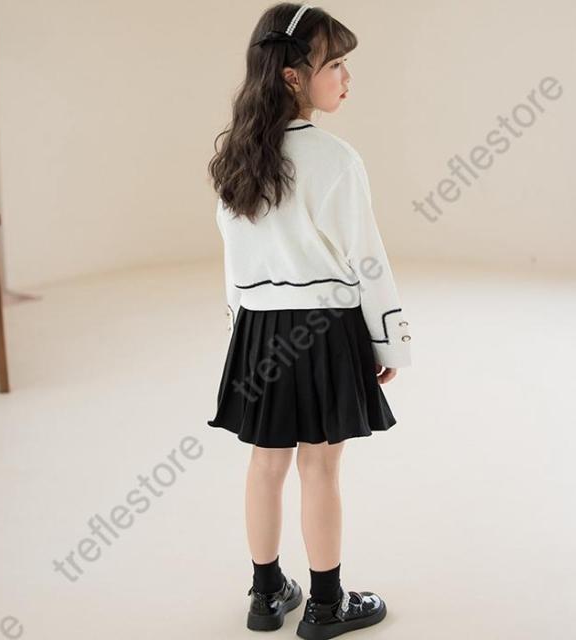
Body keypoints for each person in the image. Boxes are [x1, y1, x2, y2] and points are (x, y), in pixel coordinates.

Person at [206, 3, 412, 638]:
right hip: (325, 332)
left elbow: (235, 265)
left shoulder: (236, 157)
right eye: (336, 65)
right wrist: (388, 342)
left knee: (265, 465)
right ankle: (326, 606)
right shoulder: (335, 159)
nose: (347, 78)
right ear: (293, 76)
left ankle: (266, 595)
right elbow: (367, 260)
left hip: (260, 332)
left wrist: (242, 333)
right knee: (320, 468)